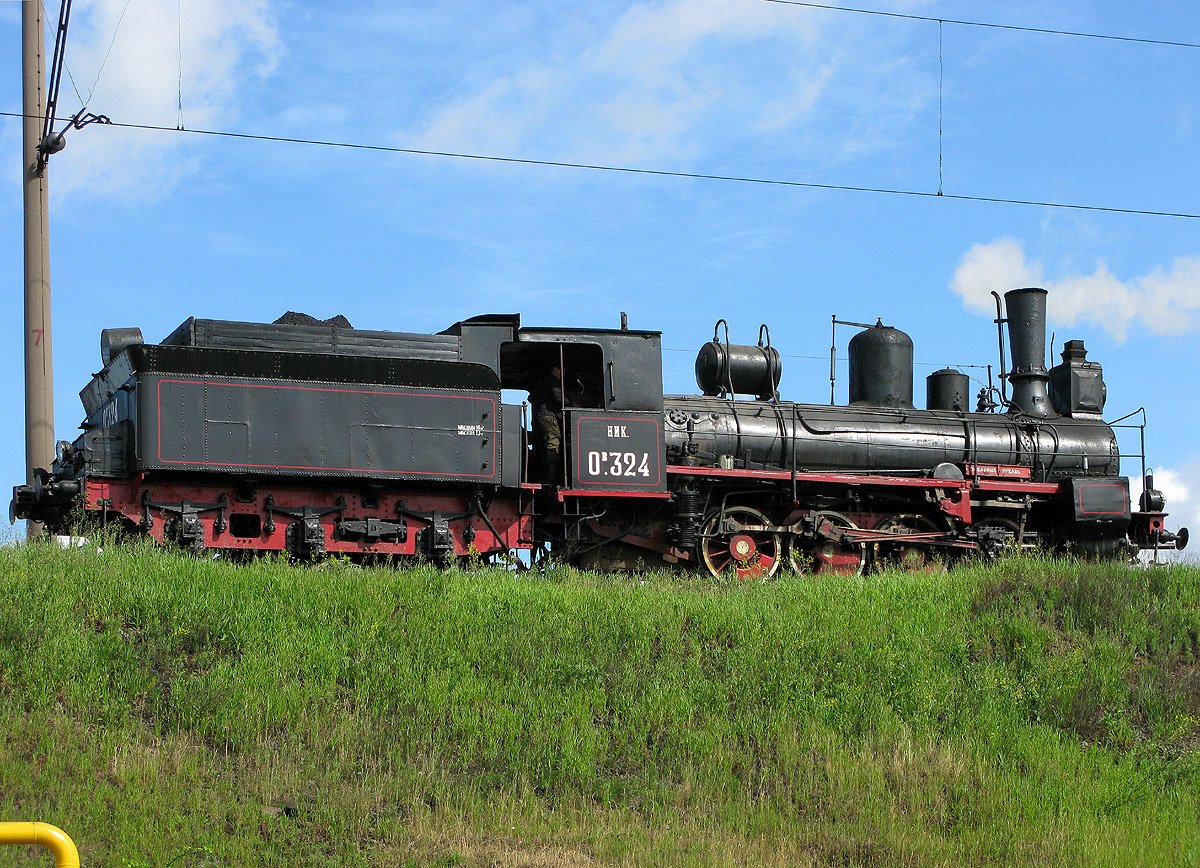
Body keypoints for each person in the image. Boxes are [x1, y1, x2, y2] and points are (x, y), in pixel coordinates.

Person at [530, 364, 565, 485]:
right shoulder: (553, 381)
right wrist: (570, 401)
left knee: (541, 444)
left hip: (537, 417)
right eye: (562, 370)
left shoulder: (540, 383)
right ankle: (552, 479)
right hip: (548, 415)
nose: (563, 373)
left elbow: (531, 397)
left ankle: (544, 475)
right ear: (555, 369)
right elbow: (558, 397)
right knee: (553, 442)